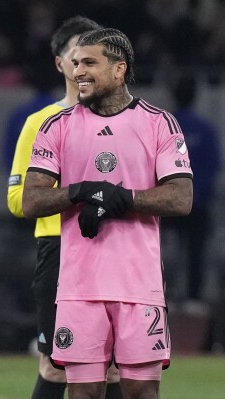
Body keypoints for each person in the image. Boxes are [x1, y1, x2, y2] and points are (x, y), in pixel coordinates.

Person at [22, 27, 193, 399]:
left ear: (119, 69)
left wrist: (124, 197)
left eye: (89, 63)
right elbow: (31, 200)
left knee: (141, 391)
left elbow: (181, 198)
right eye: (76, 62)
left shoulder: (158, 123)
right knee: (82, 394)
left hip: (139, 287)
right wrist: (82, 192)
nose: (78, 70)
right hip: (79, 288)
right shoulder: (58, 126)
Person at [8, 16, 123, 399]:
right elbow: (16, 199)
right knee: (57, 368)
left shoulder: (126, 119)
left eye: (94, 57)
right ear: (61, 64)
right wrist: (78, 196)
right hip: (59, 249)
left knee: (117, 369)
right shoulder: (39, 122)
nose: (85, 66)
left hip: (117, 249)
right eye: (78, 57)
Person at [163, 75, 221, 304]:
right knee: (195, 253)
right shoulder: (205, 130)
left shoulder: (164, 128)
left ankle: (165, 295)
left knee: (166, 252)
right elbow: (214, 165)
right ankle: (193, 299)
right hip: (196, 203)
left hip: (169, 203)